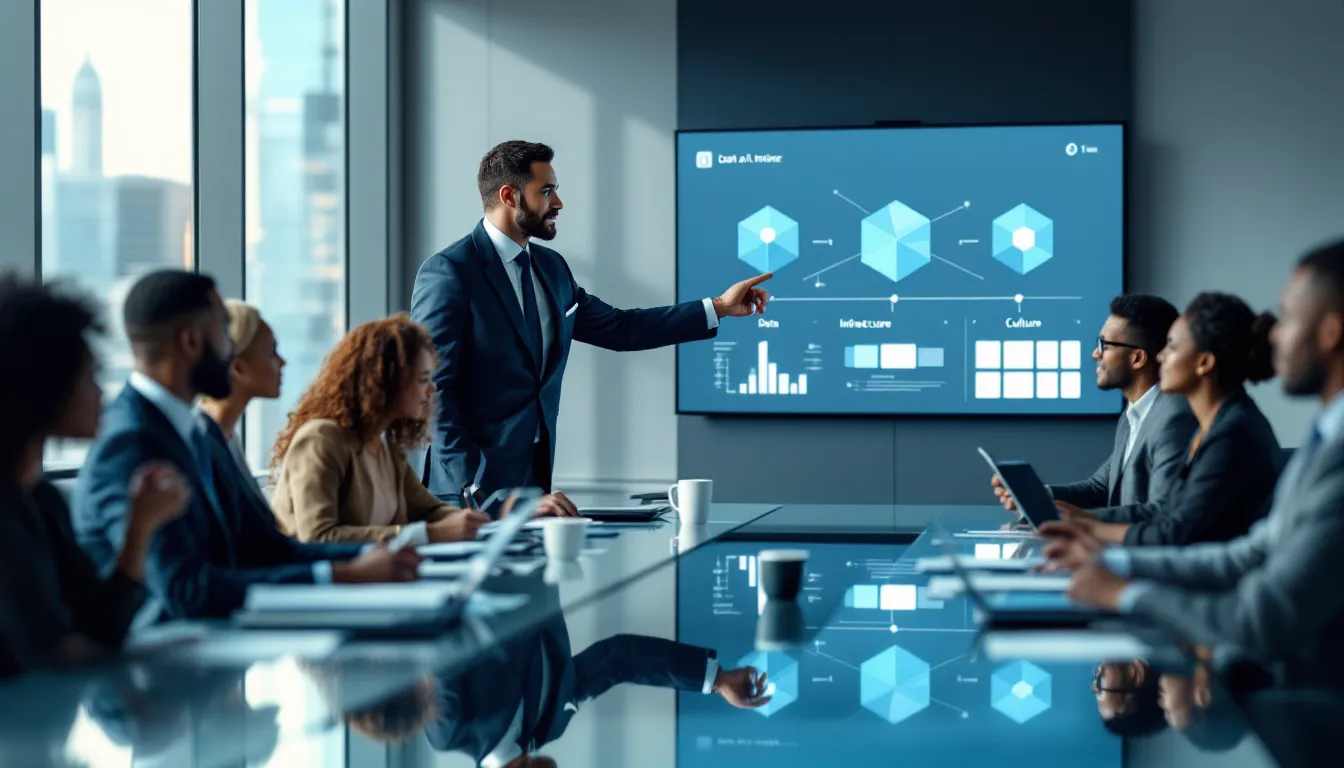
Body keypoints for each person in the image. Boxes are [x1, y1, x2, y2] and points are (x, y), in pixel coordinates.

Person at [1049, 239, 1344, 690]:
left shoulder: (1241, 432)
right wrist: (1116, 563)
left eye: (1287, 317)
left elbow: (1259, 612)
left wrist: (1126, 590)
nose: (1274, 334)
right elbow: (1248, 554)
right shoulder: (1321, 439)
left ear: (1330, 332)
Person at [411, 140, 772, 505]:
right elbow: (433, 390)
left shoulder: (551, 269)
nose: (558, 203)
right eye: (546, 191)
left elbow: (621, 328)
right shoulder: (449, 273)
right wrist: (477, 488)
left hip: (532, 486)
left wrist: (719, 307)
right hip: (466, 493)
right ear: (509, 195)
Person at [73, 270, 422, 625]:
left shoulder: (189, 430)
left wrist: (370, 554)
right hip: (157, 661)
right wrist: (343, 575)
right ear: (191, 342)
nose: (231, 348)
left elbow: (262, 547)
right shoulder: (132, 442)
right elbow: (184, 590)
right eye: (224, 332)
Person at [0, 276, 188, 678]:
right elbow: (43, 656)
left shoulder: (43, 500)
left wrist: (139, 530)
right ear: (44, 388)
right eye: (89, 378)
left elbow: (102, 624)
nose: (102, 393)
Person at [1049, 292, 1280, 546]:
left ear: (1204, 363)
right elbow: (1169, 512)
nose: (1159, 356)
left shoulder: (1230, 432)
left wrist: (1088, 527)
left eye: (1171, 346)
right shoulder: (1215, 424)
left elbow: (1175, 531)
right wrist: (1075, 517)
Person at [424, 610, 770, 765]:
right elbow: (619, 658)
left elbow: (435, 633)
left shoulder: (450, 730)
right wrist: (718, 680)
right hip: (537, 541)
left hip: (475, 525)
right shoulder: (551, 726)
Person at [269, 315, 503, 543]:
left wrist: (483, 523)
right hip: (318, 580)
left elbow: (429, 511)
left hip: (371, 579)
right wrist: (430, 534)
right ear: (386, 381)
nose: (432, 390)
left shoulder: (385, 446)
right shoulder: (321, 439)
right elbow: (318, 537)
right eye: (423, 380)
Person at [993, 295, 1195, 513]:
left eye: (1104, 345)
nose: (1095, 353)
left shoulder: (1173, 418)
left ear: (1137, 358)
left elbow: (1161, 512)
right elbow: (1100, 487)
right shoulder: (1133, 415)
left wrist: (1081, 520)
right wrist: (1037, 495)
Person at [197, 300, 283, 486]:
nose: (282, 362)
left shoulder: (227, 436)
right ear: (238, 368)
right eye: (272, 352)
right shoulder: (202, 444)